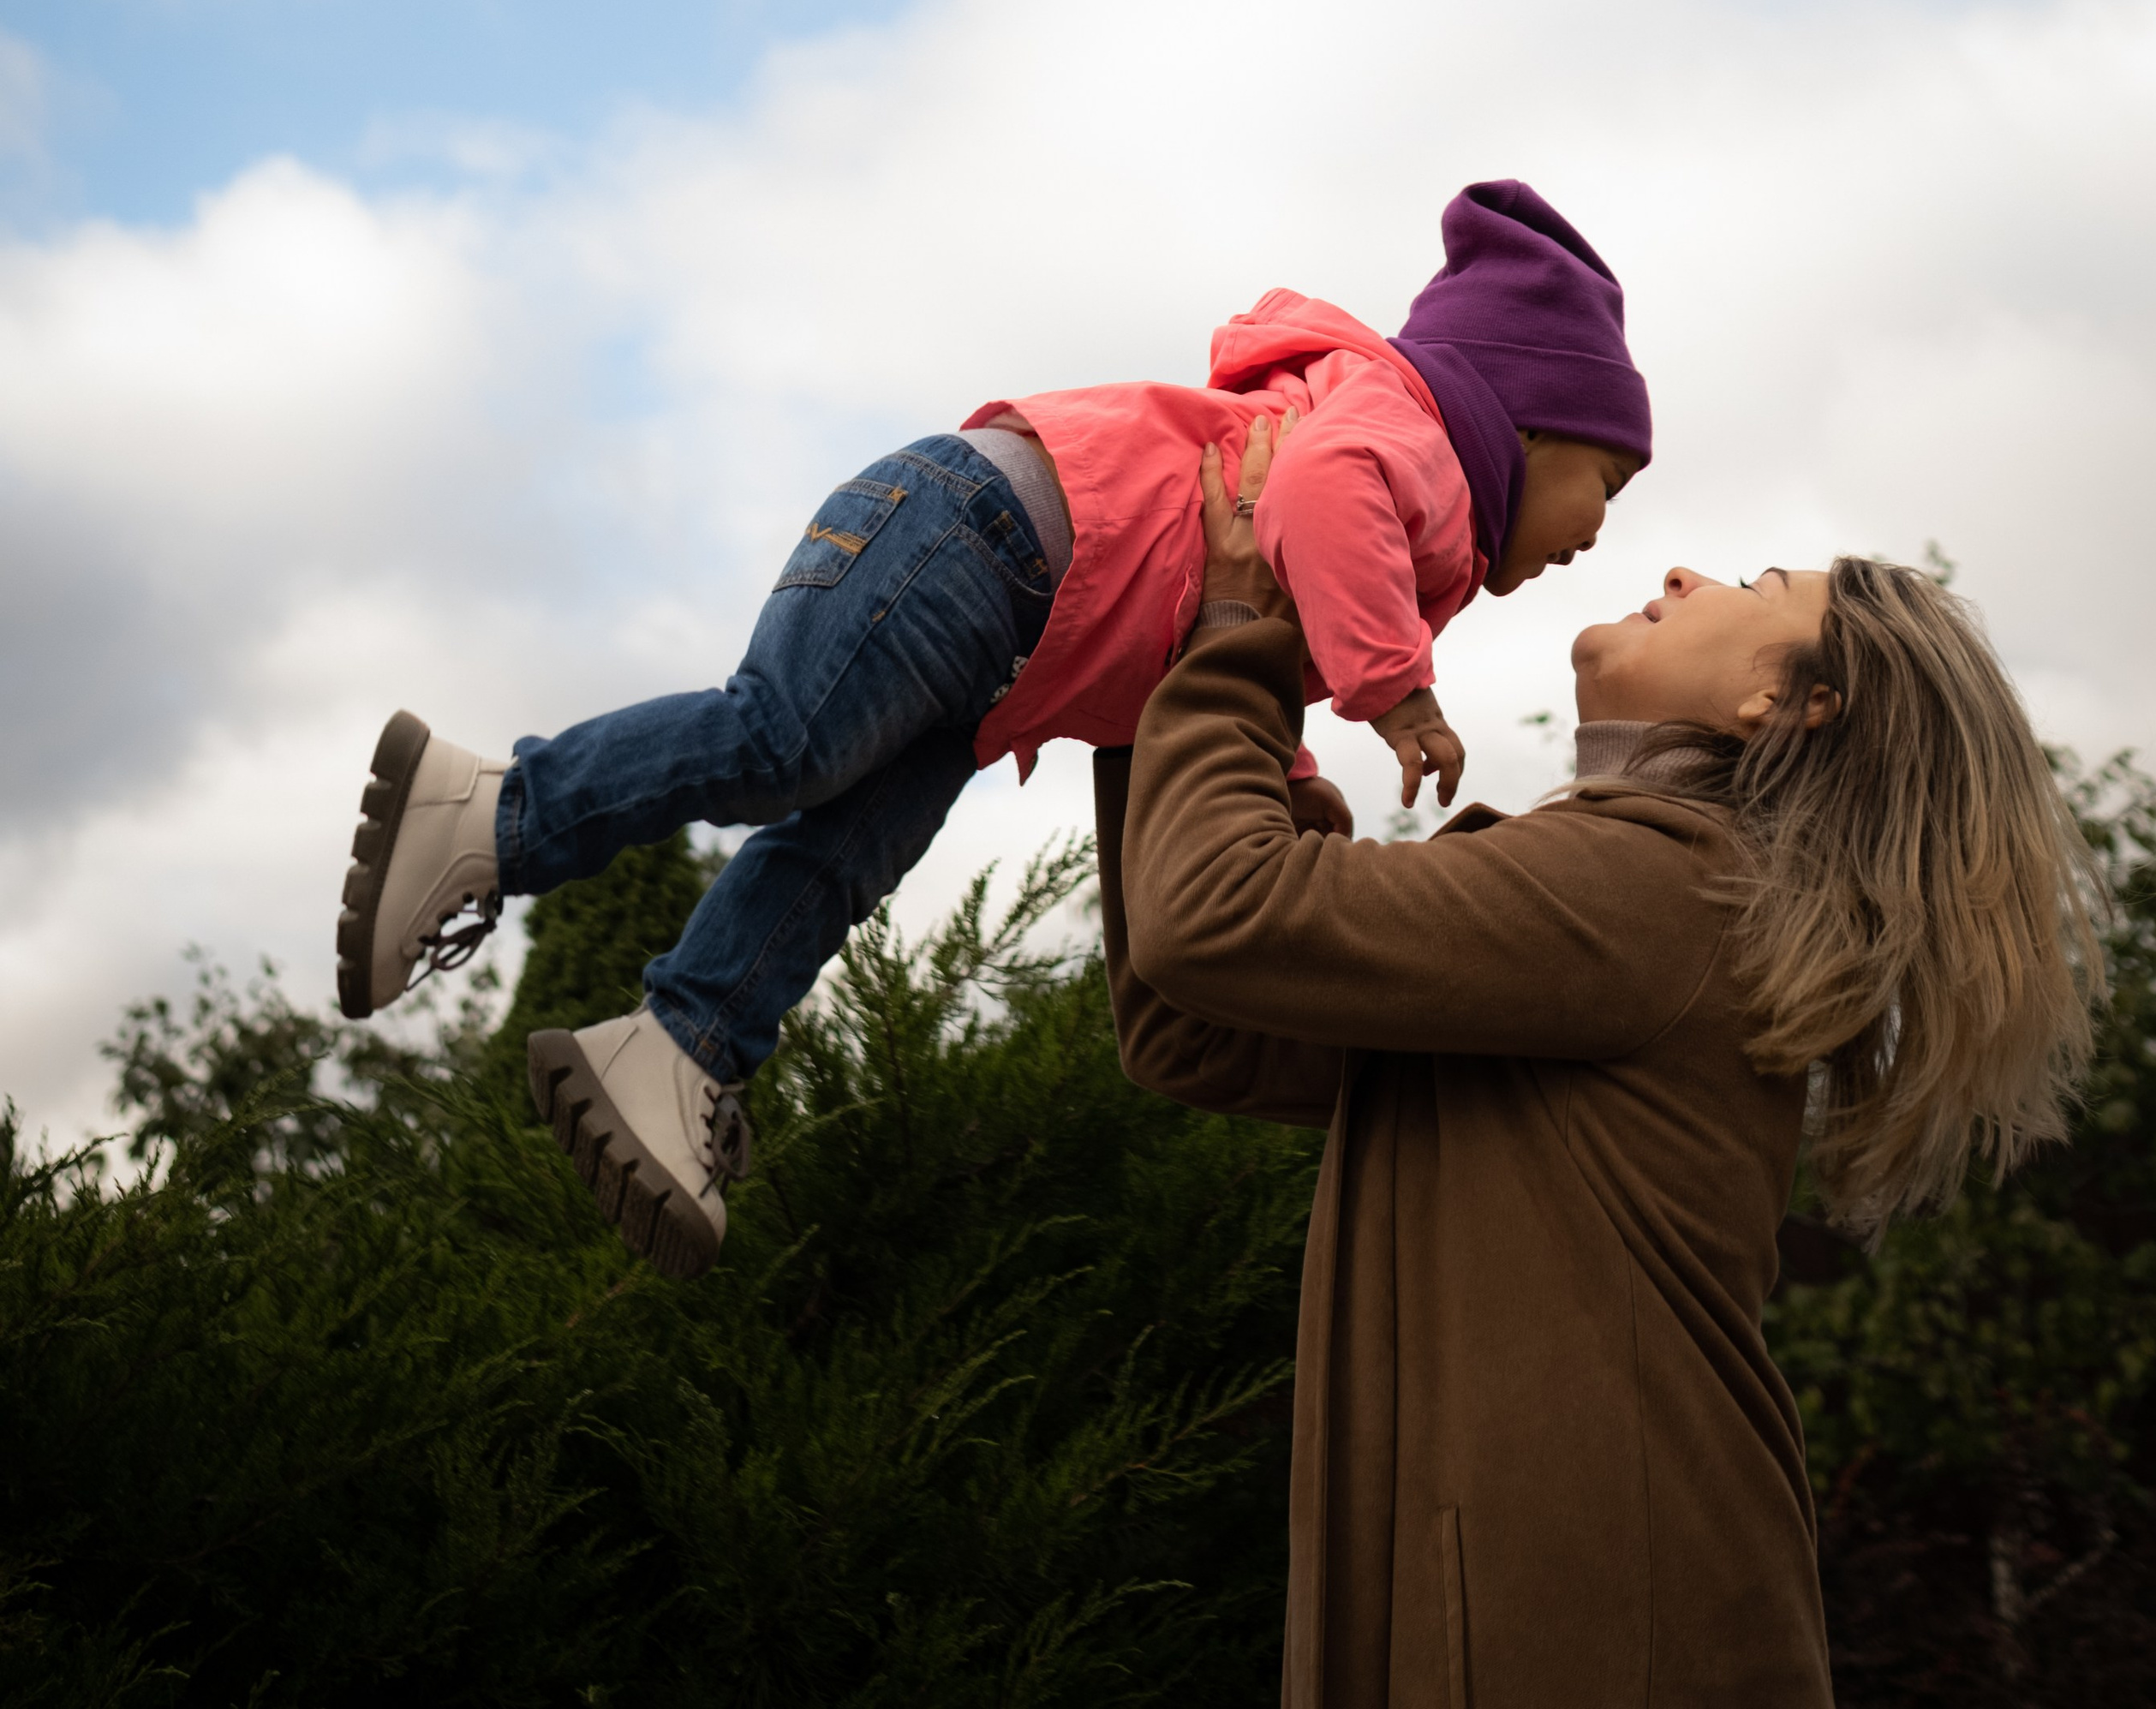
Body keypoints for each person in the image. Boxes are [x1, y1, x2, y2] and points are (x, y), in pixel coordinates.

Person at [333, 180, 1645, 1275]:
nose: (1599, 530)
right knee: (784, 739)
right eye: (1606, 478)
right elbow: (1318, 488)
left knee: (845, 854)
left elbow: (1230, 636)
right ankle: (497, 812)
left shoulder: (1412, 515)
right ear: (1526, 421)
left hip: (1012, 621)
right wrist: (1394, 689)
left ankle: (681, 1049)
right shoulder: (1408, 437)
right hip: (985, 530)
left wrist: (1285, 782)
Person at [1095, 423, 2104, 1707]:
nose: (1683, 573)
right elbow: (1199, 1020)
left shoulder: (1667, 881)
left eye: (1753, 587)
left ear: (1783, 703)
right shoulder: (1651, 890)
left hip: (1598, 1622)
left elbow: (1214, 914)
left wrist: (1239, 627)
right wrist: (1166, 655)